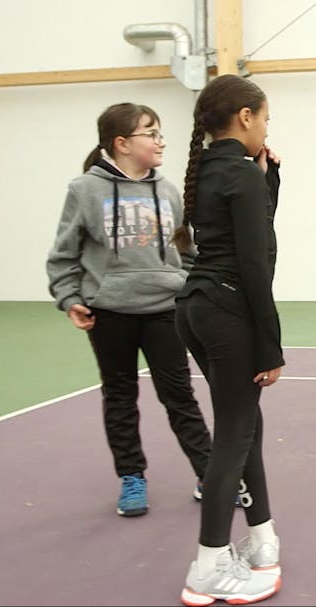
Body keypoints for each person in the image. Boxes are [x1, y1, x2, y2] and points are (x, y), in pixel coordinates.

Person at [46, 102, 212, 518]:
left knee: (179, 396)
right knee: (119, 396)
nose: (160, 141)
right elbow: (64, 254)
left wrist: (191, 294)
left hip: (163, 309)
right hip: (110, 313)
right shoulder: (84, 190)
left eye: (159, 133)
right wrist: (71, 298)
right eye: (150, 133)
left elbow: (186, 253)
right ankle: (131, 478)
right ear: (121, 143)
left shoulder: (169, 190)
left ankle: (209, 473)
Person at [171, 74, 285, 606]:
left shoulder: (216, 171)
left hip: (195, 308)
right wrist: (270, 345)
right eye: (265, 118)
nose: (266, 128)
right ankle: (208, 566)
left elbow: (247, 236)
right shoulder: (240, 176)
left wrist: (270, 184)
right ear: (245, 117)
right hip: (227, 311)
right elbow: (255, 264)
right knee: (234, 436)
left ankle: (261, 541)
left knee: (247, 426)